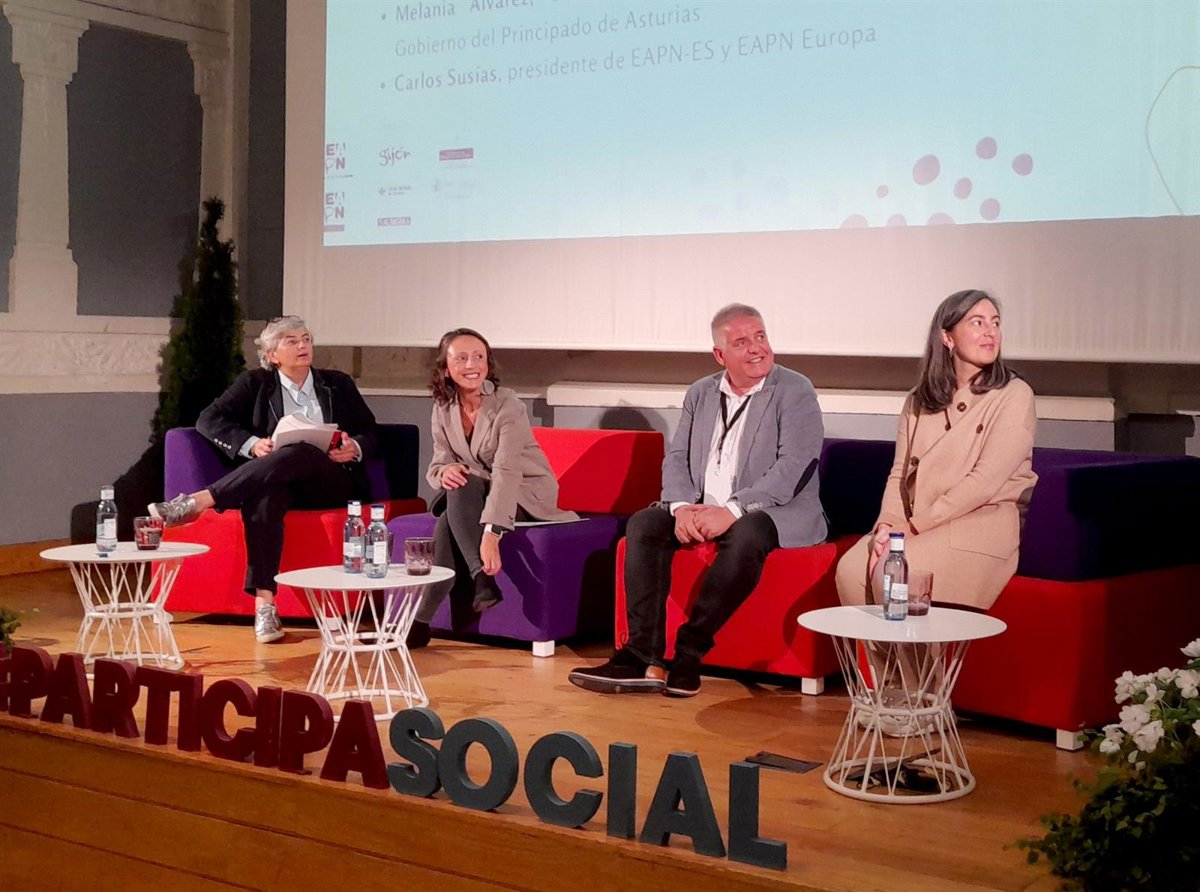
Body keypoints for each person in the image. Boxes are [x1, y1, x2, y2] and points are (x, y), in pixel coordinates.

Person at [569, 304, 826, 698]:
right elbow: (677, 458)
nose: (757, 348)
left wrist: (733, 510)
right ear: (720, 354)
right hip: (704, 506)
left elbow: (795, 466)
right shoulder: (701, 392)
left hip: (774, 509)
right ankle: (640, 655)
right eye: (742, 342)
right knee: (644, 523)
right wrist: (680, 507)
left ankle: (689, 652)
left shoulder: (795, 390)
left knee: (749, 532)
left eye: (760, 336)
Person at [149, 315, 379, 643]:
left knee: (301, 450)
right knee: (264, 495)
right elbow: (208, 419)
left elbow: (372, 432)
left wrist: (353, 447)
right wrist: (251, 444)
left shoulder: (337, 384)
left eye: (306, 339)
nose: (302, 345)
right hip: (279, 479)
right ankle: (265, 605)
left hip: (332, 481)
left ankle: (201, 501)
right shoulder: (256, 383)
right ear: (272, 355)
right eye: (291, 341)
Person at [834, 289, 1038, 611]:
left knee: (895, 572)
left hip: (981, 522)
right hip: (922, 522)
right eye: (978, 322)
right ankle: (872, 650)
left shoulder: (1014, 395)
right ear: (947, 337)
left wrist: (913, 528)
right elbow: (900, 473)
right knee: (850, 571)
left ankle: (918, 647)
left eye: (995, 323)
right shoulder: (919, 399)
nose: (991, 332)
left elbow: (985, 481)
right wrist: (887, 525)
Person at [407, 328, 578, 649]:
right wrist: (445, 472)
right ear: (446, 368)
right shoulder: (443, 406)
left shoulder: (508, 405)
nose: (472, 365)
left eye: (479, 357)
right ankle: (476, 583)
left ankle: (431, 612)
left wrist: (492, 533)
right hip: (474, 492)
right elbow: (438, 463)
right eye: (461, 358)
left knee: (454, 507)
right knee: (457, 488)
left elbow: (506, 470)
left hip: (525, 492)